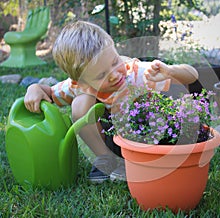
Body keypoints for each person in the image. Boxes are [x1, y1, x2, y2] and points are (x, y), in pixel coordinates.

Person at [24, 20, 198, 183]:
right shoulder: (79, 87)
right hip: (110, 141)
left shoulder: (137, 74)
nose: (115, 75)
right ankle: (105, 159)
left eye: (115, 62)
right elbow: (49, 92)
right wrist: (34, 88)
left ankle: (142, 159)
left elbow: (191, 75)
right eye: (101, 75)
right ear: (81, 82)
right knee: (80, 103)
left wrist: (170, 71)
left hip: (145, 139)